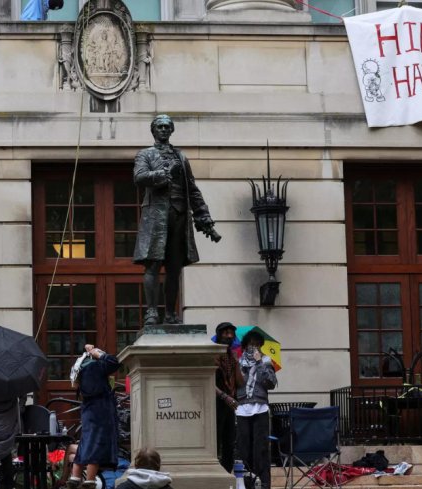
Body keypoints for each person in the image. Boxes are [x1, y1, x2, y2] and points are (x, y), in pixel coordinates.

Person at [133, 114, 220, 327]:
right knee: (152, 264)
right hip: (156, 216)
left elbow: (192, 188)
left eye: (167, 127)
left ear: (171, 130)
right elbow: (139, 177)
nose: (163, 129)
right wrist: (164, 173)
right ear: (153, 131)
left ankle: (170, 313)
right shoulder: (145, 154)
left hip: (179, 215)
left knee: (174, 267)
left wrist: (203, 215)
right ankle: (152, 312)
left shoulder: (181, 157)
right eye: (160, 126)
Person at [67, 344, 120, 489]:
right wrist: (98, 354)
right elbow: (114, 362)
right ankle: (90, 480)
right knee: (96, 443)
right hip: (101, 411)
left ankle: (75, 476)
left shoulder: (82, 369)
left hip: (88, 410)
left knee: (86, 441)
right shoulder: (95, 366)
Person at [236, 331, 278, 489]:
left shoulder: (266, 361)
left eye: (257, 344)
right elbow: (233, 384)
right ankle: (246, 483)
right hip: (241, 408)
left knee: (260, 448)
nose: (253, 347)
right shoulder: (238, 362)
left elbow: (271, 383)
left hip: (260, 407)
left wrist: (260, 364)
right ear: (245, 345)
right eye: (251, 344)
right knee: (243, 447)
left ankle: (263, 483)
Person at [214, 322, 242, 474]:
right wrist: (225, 397)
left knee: (229, 441)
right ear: (219, 335)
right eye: (226, 333)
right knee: (216, 440)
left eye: (231, 333)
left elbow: (240, 382)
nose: (229, 336)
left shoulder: (232, 357)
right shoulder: (212, 355)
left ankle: (226, 473)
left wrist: (237, 363)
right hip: (216, 403)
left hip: (229, 404)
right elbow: (208, 382)